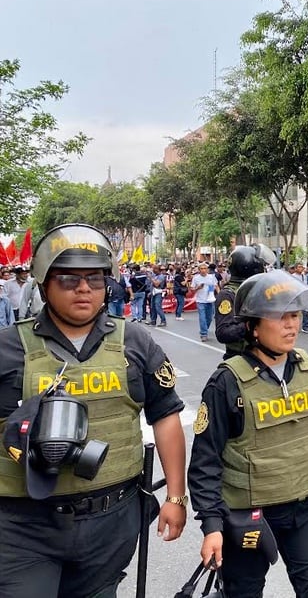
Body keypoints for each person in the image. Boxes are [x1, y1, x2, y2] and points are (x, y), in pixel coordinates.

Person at [0, 224, 187, 597]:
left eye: (96, 279)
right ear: (44, 283)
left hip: (110, 523)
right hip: (23, 527)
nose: (84, 288)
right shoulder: (8, 348)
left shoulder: (135, 342)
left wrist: (175, 497)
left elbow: (165, 415)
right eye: (69, 279)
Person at [188, 270, 308, 598]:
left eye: (295, 315)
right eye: (279, 317)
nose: (291, 325)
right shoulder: (226, 383)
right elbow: (205, 462)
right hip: (250, 514)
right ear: (253, 326)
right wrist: (212, 527)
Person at [215, 244, 276, 360]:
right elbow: (223, 333)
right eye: (262, 266)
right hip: (240, 357)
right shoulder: (228, 295)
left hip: (263, 354)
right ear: (250, 268)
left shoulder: (258, 290)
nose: (264, 270)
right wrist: (250, 325)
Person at [192, 262, 218, 342]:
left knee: (209, 318)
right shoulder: (196, 278)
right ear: (199, 270)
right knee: (202, 317)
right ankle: (204, 334)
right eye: (201, 269)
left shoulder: (212, 277)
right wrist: (198, 288)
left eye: (205, 268)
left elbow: (216, 286)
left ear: (207, 270)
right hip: (200, 301)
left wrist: (219, 295)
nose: (203, 270)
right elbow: (192, 290)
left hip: (210, 300)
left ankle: (204, 328)